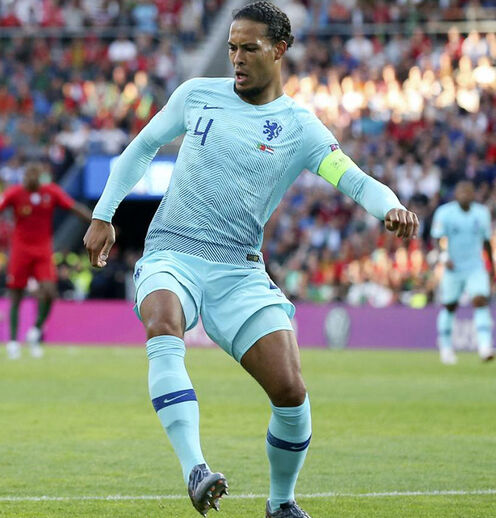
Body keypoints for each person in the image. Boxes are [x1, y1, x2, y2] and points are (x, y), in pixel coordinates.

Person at [83, 3, 419, 517]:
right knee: (162, 321)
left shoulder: (300, 128)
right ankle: (195, 469)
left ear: (279, 50)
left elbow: (352, 179)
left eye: (249, 48)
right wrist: (104, 213)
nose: (236, 58)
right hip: (172, 251)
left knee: (290, 391)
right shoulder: (197, 95)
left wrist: (390, 206)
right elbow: (142, 146)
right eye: (231, 48)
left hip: (239, 271)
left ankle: (281, 503)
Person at [0, 163, 92, 358]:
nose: (30, 181)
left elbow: (74, 207)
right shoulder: (14, 193)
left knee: (50, 292)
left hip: (43, 250)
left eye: (34, 177)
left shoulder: (51, 192)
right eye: (28, 177)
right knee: (16, 295)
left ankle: (36, 330)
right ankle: (13, 342)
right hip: (20, 250)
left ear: (40, 179)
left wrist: (98, 222)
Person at [431, 180, 495, 364]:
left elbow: (486, 242)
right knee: (450, 306)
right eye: (462, 192)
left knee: (480, 300)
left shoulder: (481, 213)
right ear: (456, 195)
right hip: (453, 268)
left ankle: (485, 346)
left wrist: (491, 268)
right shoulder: (445, 213)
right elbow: (436, 238)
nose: (465, 195)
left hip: (475, 266)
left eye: (469, 192)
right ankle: (446, 348)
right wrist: (444, 257)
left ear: (474, 195)